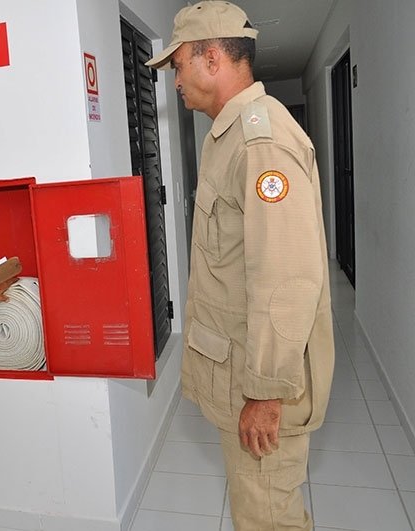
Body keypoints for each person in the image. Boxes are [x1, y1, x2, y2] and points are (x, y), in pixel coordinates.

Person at [146, 2, 334, 530]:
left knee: (268, 519)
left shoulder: (260, 143)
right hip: (242, 376)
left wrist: (265, 393)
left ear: (211, 58)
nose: (176, 81)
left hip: (261, 386)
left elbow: (287, 280)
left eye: (179, 65)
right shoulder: (228, 136)